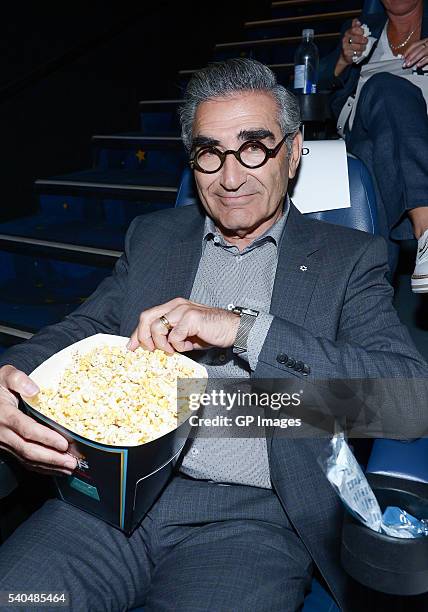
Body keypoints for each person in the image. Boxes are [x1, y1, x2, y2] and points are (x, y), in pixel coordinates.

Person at [0, 58, 426, 612]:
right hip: (114, 499)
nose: (230, 177)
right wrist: (13, 374)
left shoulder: (348, 259)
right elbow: (85, 327)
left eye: (255, 147)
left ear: (294, 151)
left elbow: (407, 402)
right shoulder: (154, 236)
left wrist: (245, 330)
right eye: (209, 153)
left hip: (250, 524)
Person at [318, 0, 428, 290]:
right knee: (383, 85)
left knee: (369, 158)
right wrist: (343, 57)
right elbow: (317, 78)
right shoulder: (362, 29)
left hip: (416, 131)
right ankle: (425, 223)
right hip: (363, 121)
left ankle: (370, 295)